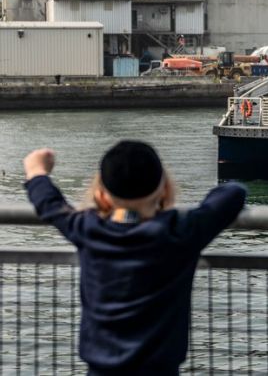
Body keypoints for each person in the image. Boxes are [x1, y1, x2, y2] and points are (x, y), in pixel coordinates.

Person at [23, 141, 247, 375]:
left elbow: (49, 204)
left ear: (103, 194)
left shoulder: (89, 229)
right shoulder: (178, 232)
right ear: (164, 188)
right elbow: (233, 193)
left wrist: (37, 172)